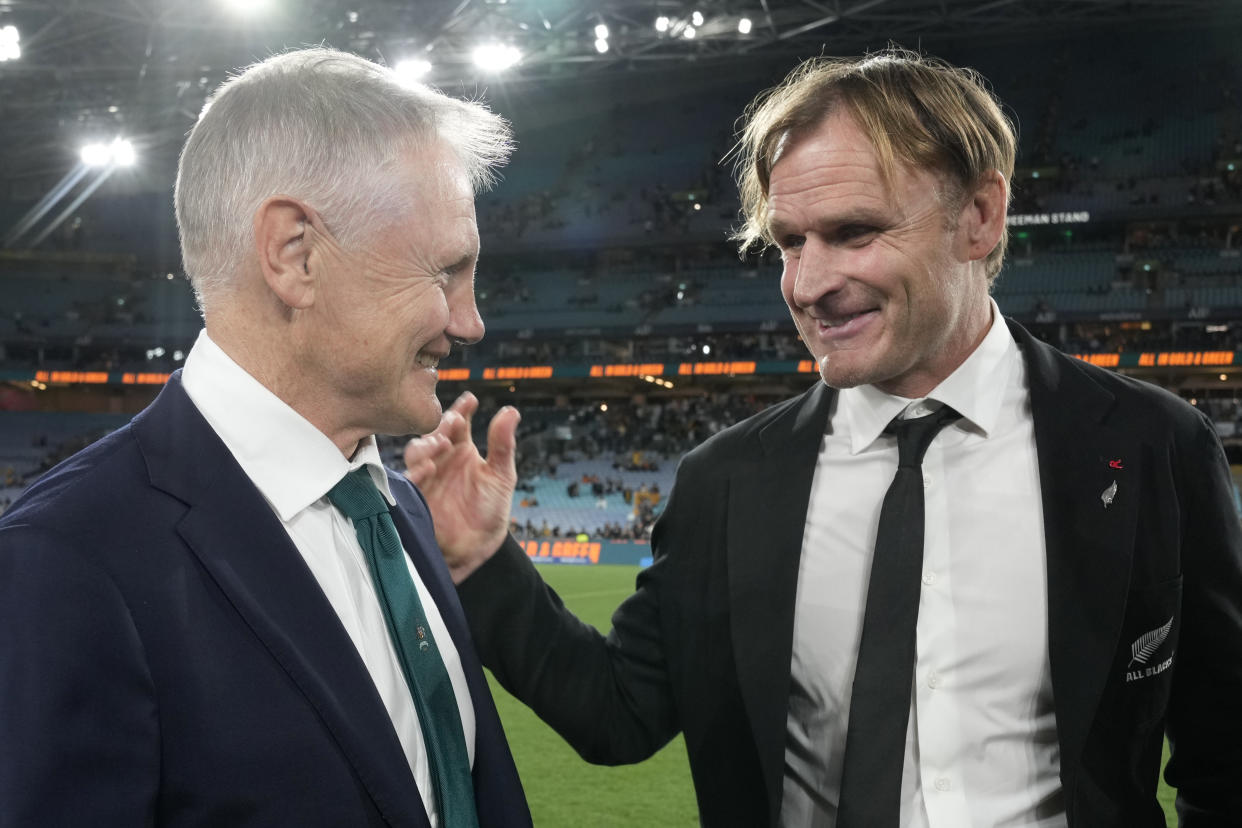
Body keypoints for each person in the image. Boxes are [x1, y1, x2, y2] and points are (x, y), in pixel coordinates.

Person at [406, 48, 1242, 827]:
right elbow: (619, 713)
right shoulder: (726, 482)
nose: (808, 285)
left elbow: (1223, 752)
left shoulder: (1149, 447)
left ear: (980, 216)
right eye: (788, 242)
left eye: (854, 232)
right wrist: (482, 565)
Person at [0, 48, 530, 827]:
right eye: (445, 271)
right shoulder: (66, 562)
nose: (470, 321)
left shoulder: (396, 510)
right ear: (295, 255)